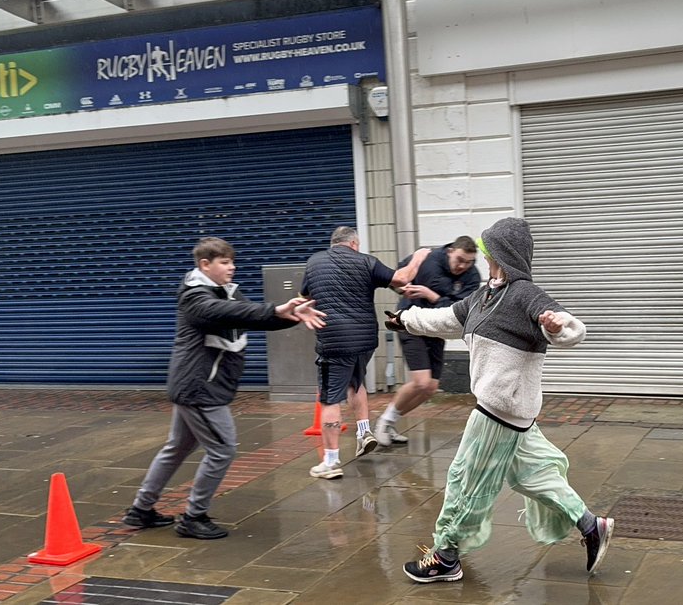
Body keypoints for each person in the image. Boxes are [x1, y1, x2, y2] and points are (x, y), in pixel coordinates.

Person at [384, 217, 613, 582]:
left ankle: (446, 556)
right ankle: (591, 526)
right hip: (511, 413)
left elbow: (574, 329)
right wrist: (406, 319)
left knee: (465, 480)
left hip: (498, 411)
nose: (483, 256)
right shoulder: (484, 295)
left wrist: (556, 327)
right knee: (535, 475)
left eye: (488, 249)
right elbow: (447, 319)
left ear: (500, 254)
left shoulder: (525, 293)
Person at [122, 237, 325, 540]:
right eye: (225, 262)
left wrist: (290, 316)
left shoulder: (225, 293)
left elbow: (252, 316)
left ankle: (141, 509)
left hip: (199, 384)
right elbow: (231, 313)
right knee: (222, 450)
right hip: (200, 387)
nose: (232, 267)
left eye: (232, 261)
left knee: (176, 447)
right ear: (205, 265)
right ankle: (194, 516)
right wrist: (277, 308)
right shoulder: (196, 297)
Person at [300, 226, 429, 479]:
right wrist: (418, 257)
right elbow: (401, 279)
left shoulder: (314, 261)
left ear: (333, 243)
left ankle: (330, 461)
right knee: (355, 383)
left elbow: (305, 295)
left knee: (329, 399)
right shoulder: (366, 261)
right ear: (354, 243)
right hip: (365, 339)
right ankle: (363, 433)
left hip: (333, 340)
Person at [374, 236, 481, 447]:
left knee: (430, 388)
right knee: (421, 382)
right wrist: (401, 288)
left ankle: (389, 422)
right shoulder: (428, 258)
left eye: (469, 262)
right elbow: (398, 276)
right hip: (408, 322)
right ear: (450, 251)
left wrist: (430, 294)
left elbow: (460, 309)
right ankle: (383, 422)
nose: (463, 266)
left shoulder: (471, 277)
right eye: (460, 259)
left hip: (435, 328)